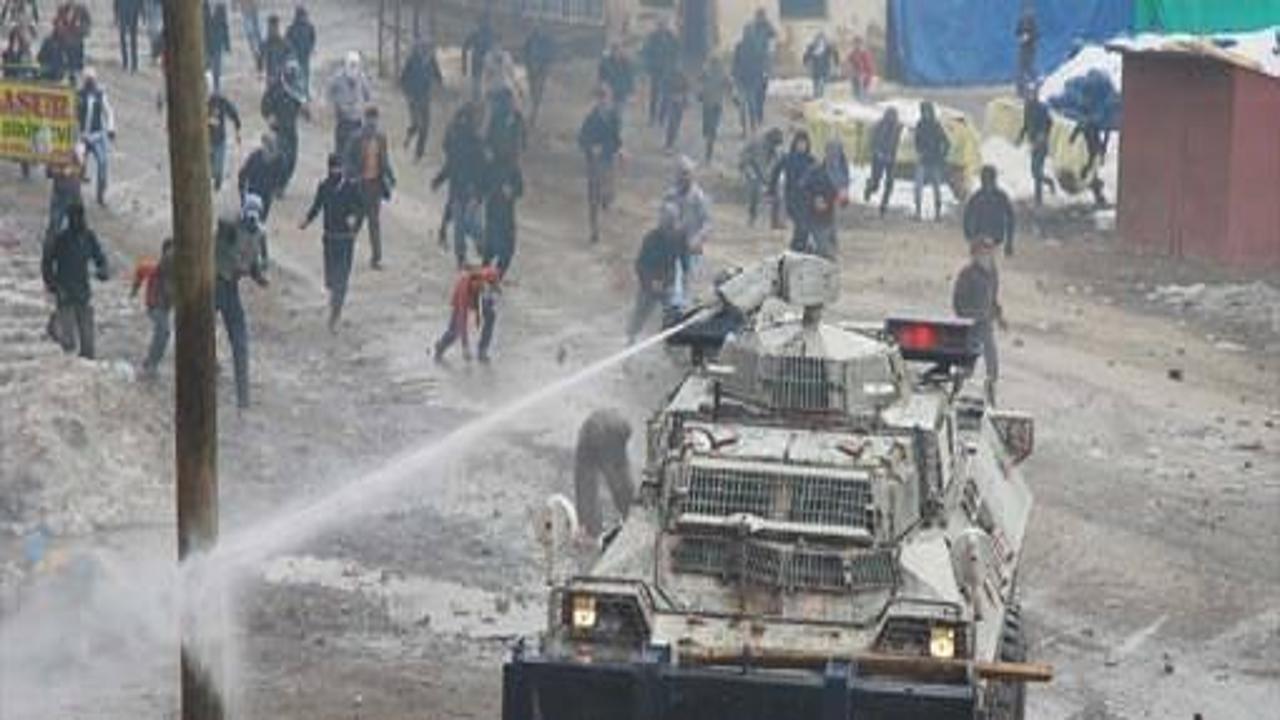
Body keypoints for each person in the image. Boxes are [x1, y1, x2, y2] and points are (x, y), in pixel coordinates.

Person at [215, 194, 269, 409]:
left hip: (230, 289)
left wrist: (259, 277)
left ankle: (243, 399)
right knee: (200, 334)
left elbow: (253, 261)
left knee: (240, 343)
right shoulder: (229, 227)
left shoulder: (258, 234)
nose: (252, 221)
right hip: (212, 283)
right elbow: (223, 224)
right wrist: (238, 220)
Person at [301, 153, 365, 332]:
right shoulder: (324, 187)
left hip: (345, 240)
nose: (335, 171)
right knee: (331, 280)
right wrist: (307, 220)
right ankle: (334, 299)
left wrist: (355, 221)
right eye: (332, 168)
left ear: (343, 169)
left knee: (342, 280)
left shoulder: (351, 187)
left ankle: (335, 314)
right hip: (329, 238)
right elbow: (317, 206)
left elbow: (361, 208)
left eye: (338, 168)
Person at [42, 202, 107, 359]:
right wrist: (52, 284)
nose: (78, 221)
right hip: (64, 292)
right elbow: (47, 262)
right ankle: (55, 327)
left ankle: (86, 370)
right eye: (74, 218)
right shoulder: (61, 239)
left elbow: (100, 257)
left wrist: (103, 269)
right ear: (69, 219)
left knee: (88, 346)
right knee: (68, 344)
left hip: (83, 291)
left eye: (80, 217)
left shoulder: (88, 237)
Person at [953, 237, 1006, 405]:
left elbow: (993, 299)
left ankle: (991, 396)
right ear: (974, 254)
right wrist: (967, 317)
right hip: (970, 325)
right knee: (967, 365)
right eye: (982, 251)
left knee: (992, 363)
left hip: (986, 324)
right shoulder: (967, 274)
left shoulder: (992, 273)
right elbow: (957, 302)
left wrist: (999, 317)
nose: (987, 255)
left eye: (989, 251)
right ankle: (954, 392)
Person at [432, 102, 487, 265]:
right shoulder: (474, 141)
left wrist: (439, 179)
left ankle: (462, 255)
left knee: (461, 224)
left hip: (459, 187)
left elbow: (450, 163)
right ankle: (479, 247)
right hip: (468, 188)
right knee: (468, 223)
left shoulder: (457, 136)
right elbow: (481, 168)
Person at [343, 106, 394, 270]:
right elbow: (347, 160)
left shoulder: (381, 138)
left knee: (374, 223)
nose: (372, 122)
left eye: (374, 118)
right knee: (357, 221)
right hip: (360, 186)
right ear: (364, 119)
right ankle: (345, 254)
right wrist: (352, 177)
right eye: (369, 118)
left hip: (375, 185)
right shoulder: (356, 138)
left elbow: (384, 160)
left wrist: (390, 176)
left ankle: (376, 258)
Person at [627, 202, 684, 345]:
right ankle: (630, 339)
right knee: (640, 313)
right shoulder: (650, 239)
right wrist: (650, 282)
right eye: (667, 221)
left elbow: (679, 264)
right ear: (661, 221)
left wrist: (671, 283)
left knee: (673, 314)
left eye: (672, 221)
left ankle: (670, 343)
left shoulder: (677, 238)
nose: (669, 226)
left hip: (667, 284)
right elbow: (640, 265)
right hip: (649, 284)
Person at [572, 409, 634, 538]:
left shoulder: (591, 438)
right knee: (619, 476)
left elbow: (585, 492)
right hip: (614, 425)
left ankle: (590, 531)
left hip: (598, 431)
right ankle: (629, 514)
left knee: (588, 486)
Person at [664, 157, 712, 310]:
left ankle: (683, 308)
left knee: (688, 282)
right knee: (674, 283)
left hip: (692, 247)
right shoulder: (670, 195)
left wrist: (698, 238)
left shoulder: (699, 197)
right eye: (681, 173)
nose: (684, 177)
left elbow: (707, 223)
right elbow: (662, 221)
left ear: (693, 175)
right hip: (674, 246)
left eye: (687, 173)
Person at [578, 86, 622, 244]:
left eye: (606, 98)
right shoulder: (590, 118)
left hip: (608, 160)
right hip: (594, 163)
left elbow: (617, 141)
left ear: (609, 99)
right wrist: (590, 148)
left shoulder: (614, 118)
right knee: (592, 198)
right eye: (600, 98)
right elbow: (581, 139)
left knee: (608, 194)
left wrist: (606, 148)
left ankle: (606, 200)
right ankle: (594, 230)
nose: (603, 101)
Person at [432, 265, 501, 364]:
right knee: (455, 330)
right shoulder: (463, 291)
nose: (488, 290)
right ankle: (441, 346)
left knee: (491, 316)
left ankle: (483, 350)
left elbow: (495, 283)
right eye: (487, 288)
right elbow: (462, 320)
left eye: (490, 288)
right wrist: (465, 346)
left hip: (478, 296)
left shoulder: (489, 275)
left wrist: (492, 293)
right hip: (462, 297)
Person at [260, 60, 308, 194]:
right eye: (291, 76)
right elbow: (264, 105)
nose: (293, 79)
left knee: (292, 158)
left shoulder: (297, 87)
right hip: (277, 128)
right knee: (280, 157)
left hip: (291, 128)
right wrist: (269, 116)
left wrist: (305, 112)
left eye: (294, 76)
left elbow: (302, 104)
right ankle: (276, 184)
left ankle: (283, 183)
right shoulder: (275, 87)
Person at [130, 238, 174, 377]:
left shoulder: (175, 272)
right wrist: (135, 289)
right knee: (164, 332)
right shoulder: (155, 269)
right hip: (154, 307)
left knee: (163, 333)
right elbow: (140, 269)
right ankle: (150, 364)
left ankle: (151, 363)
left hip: (164, 308)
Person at [797, 140, 846, 259]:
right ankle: (810, 249)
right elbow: (801, 188)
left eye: (837, 153)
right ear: (826, 153)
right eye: (832, 153)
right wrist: (814, 199)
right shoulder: (815, 171)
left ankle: (810, 249)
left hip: (830, 218)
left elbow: (842, 197)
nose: (834, 156)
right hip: (814, 219)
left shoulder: (841, 173)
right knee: (827, 254)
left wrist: (843, 198)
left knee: (833, 248)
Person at [399, 38, 444, 161]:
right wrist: (407, 94)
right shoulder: (412, 61)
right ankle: (409, 136)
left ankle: (418, 154)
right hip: (413, 98)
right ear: (421, 51)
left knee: (425, 127)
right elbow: (402, 79)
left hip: (425, 98)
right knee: (417, 124)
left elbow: (438, 76)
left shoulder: (432, 61)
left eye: (431, 52)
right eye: (427, 51)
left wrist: (439, 85)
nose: (429, 55)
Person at [769, 130, 816, 243]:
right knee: (800, 223)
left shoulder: (811, 160)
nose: (802, 146)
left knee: (806, 224)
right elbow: (775, 172)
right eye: (799, 143)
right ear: (795, 144)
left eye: (804, 144)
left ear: (807, 145)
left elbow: (818, 178)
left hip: (806, 198)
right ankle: (797, 245)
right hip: (791, 196)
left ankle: (798, 245)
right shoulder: (788, 158)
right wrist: (771, 191)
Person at [77, 68, 115, 207]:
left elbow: (109, 112)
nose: (90, 83)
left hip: (97, 136)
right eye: (88, 80)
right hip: (82, 136)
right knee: (77, 164)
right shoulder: (78, 95)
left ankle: (100, 194)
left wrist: (111, 128)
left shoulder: (100, 95)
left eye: (92, 80)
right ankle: (75, 194)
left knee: (103, 163)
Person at [481, 155, 523, 278]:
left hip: (506, 214)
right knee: (491, 249)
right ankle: (486, 278)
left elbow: (520, 188)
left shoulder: (512, 166)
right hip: (493, 212)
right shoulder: (491, 165)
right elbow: (482, 183)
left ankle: (494, 277)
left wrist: (512, 191)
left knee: (507, 250)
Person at [963, 165, 1016, 257]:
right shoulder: (978, 197)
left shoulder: (999, 197)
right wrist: (970, 237)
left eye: (989, 179)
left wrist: (1009, 242)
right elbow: (966, 216)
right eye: (985, 179)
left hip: (995, 238)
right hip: (981, 237)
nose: (987, 182)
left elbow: (1011, 218)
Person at [327, 51, 371, 155]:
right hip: (343, 120)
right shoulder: (337, 78)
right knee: (340, 151)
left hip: (357, 121)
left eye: (355, 66)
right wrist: (334, 103)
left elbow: (368, 95)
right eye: (351, 66)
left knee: (357, 151)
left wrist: (363, 105)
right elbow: (329, 92)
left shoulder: (362, 78)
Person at [913, 101, 950, 222]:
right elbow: (917, 142)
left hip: (933, 160)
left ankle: (937, 214)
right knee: (919, 188)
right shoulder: (921, 124)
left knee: (936, 188)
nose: (925, 114)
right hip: (925, 159)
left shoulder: (935, 125)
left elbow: (946, 142)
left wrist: (941, 156)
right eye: (923, 111)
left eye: (926, 111)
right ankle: (918, 212)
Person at [739, 127, 783, 226]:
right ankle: (752, 215)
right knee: (755, 186)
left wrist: (771, 180)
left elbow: (776, 163)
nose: (775, 146)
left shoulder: (773, 147)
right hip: (748, 164)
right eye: (774, 144)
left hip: (760, 167)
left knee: (778, 189)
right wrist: (766, 179)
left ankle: (775, 219)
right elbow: (759, 164)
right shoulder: (760, 144)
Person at [1017, 92, 1055, 206]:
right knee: (1034, 172)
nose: (1028, 97)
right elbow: (1026, 124)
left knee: (1037, 170)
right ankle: (1049, 182)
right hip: (1033, 142)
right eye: (1027, 95)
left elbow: (1049, 123)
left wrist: (1043, 135)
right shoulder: (1027, 108)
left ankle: (1038, 199)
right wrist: (1020, 136)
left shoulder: (1042, 108)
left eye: (1031, 95)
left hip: (1041, 143)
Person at [863, 106, 901, 217]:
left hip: (890, 158)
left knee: (889, 183)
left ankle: (883, 206)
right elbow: (873, 142)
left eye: (894, 116)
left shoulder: (897, 127)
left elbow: (896, 144)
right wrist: (878, 153)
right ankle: (869, 187)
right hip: (878, 158)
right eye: (890, 116)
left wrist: (892, 156)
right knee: (875, 183)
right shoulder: (879, 125)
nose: (892, 118)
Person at [237, 132, 283, 224]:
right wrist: (242, 193)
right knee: (250, 219)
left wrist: (276, 188)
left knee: (260, 221)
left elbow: (280, 177)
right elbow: (243, 174)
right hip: (253, 192)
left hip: (265, 194)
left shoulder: (279, 159)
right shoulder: (256, 156)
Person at [207, 71, 241, 192]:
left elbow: (233, 112)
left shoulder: (220, 100)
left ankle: (217, 180)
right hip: (203, 140)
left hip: (219, 139)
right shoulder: (196, 100)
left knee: (217, 169)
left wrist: (237, 128)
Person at [641, 20, 679, 127]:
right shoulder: (652, 37)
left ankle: (662, 118)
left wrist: (674, 67)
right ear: (658, 26)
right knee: (654, 95)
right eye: (660, 25)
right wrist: (648, 67)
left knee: (666, 96)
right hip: (656, 71)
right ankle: (652, 117)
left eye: (664, 25)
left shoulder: (672, 37)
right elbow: (646, 52)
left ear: (666, 26)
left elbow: (677, 52)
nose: (662, 27)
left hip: (668, 71)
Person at [45, 142, 85, 241]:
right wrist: (61, 172)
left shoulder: (77, 147)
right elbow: (48, 173)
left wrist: (80, 159)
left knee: (78, 228)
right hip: (60, 195)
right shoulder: (55, 150)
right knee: (54, 228)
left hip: (75, 194)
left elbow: (82, 171)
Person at [698, 56, 731, 162]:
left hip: (708, 104)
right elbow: (729, 86)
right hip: (717, 105)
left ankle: (708, 149)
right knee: (712, 129)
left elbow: (699, 84)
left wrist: (700, 94)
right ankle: (709, 145)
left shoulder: (707, 72)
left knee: (708, 129)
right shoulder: (723, 74)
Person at [521, 25, 555, 128]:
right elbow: (525, 55)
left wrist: (542, 67)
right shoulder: (530, 41)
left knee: (536, 95)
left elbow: (548, 57)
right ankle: (533, 116)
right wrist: (528, 67)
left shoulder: (543, 42)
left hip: (539, 72)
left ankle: (533, 117)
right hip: (533, 71)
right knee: (534, 94)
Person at [1071, 118, 1109, 208]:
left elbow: (1075, 134)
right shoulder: (1088, 124)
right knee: (1089, 174)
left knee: (1088, 173)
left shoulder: (1087, 125)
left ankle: (1099, 193)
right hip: (1092, 152)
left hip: (1094, 153)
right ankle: (1099, 194)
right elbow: (1075, 134)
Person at [484, 85, 525, 166]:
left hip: (507, 157)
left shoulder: (515, 117)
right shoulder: (497, 117)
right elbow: (489, 135)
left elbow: (520, 139)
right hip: (499, 156)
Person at [461, 13, 493, 102]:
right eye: (481, 22)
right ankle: (477, 105)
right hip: (478, 64)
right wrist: (464, 65)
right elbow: (465, 47)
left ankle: (482, 104)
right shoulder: (476, 34)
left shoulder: (490, 34)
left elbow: (496, 48)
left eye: (485, 22)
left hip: (488, 65)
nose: (483, 24)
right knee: (477, 88)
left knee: (485, 87)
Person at [285, 5, 315, 98]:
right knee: (298, 75)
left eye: (304, 15)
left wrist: (310, 49)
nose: (304, 18)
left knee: (306, 74)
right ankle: (298, 93)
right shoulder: (291, 28)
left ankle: (305, 92)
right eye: (302, 15)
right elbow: (287, 41)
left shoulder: (309, 27)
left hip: (305, 55)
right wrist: (292, 52)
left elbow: (313, 39)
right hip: (296, 57)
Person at [597, 43, 634, 120]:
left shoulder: (626, 63)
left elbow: (630, 78)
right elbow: (601, 78)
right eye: (615, 50)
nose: (617, 53)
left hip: (622, 94)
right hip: (609, 94)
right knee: (607, 115)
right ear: (612, 51)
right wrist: (604, 88)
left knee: (620, 116)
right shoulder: (605, 63)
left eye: (619, 50)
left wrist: (631, 93)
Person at [204, 1, 231, 93]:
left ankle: (216, 88)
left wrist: (227, 45)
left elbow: (225, 26)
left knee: (216, 68)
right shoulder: (203, 6)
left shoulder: (221, 8)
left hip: (217, 44)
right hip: (206, 42)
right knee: (206, 67)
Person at [257, 14, 291, 84]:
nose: (273, 29)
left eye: (275, 27)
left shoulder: (283, 43)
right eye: (271, 27)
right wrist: (260, 70)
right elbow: (260, 57)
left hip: (282, 76)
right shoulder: (266, 43)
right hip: (270, 77)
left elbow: (290, 56)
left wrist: (287, 68)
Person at [802, 32, 837, 99]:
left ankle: (823, 97)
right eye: (818, 39)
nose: (820, 41)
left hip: (825, 69)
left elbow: (835, 53)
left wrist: (836, 64)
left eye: (822, 39)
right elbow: (806, 55)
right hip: (816, 69)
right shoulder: (812, 47)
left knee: (824, 85)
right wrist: (805, 63)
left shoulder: (828, 47)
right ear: (816, 39)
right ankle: (817, 97)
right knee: (816, 84)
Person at [662, 66, 689, 152]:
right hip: (672, 102)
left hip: (678, 103)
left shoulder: (683, 78)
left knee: (676, 124)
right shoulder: (669, 77)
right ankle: (669, 144)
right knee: (672, 123)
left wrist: (685, 100)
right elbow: (664, 89)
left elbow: (686, 90)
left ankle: (671, 143)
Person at [114, 0, 143, 73]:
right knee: (125, 38)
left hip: (131, 10)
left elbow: (141, 2)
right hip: (125, 10)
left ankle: (133, 64)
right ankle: (127, 63)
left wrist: (142, 14)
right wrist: (116, 16)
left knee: (131, 39)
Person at [1015, 9, 1037, 99]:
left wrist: (1029, 37)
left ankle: (1032, 90)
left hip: (1030, 49)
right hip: (1022, 49)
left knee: (1029, 70)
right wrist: (1021, 37)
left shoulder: (1033, 23)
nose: (1028, 12)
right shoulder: (1021, 21)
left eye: (1030, 11)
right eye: (1026, 11)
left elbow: (1036, 35)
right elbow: (1016, 32)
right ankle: (1020, 91)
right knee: (1020, 70)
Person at [847, 35, 875, 100]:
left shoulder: (865, 53)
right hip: (855, 76)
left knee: (864, 93)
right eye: (855, 43)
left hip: (864, 77)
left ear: (861, 44)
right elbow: (848, 62)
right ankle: (858, 100)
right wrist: (850, 71)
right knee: (856, 93)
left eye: (858, 43)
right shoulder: (853, 53)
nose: (856, 45)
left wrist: (866, 75)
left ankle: (865, 101)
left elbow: (869, 66)